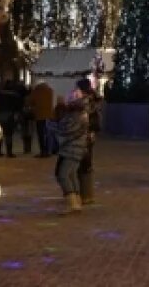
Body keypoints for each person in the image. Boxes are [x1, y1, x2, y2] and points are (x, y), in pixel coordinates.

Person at [53, 93, 88, 213]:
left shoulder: (75, 117)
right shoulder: (80, 115)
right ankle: (76, 201)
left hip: (71, 149)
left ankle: (72, 202)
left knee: (63, 175)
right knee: (71, 174)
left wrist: (54, 126)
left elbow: (65, 130)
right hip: (74, 149)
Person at [75, 77, 103, 205]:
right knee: (87, 164)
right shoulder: (95, 99)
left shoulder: (86, 102)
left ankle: (85, 194)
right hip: (90, 135)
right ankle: (88, 193)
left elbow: (82, 118)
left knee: (83, 164)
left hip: (84, 135)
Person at [0, 78, 23, 157]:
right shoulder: (15, 95)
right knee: (9, 134)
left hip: (0, 115)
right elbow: (18, 107)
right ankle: (9, 152)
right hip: (10, 116)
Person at [27, 79, 55, 158]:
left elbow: (30, 101)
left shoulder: (36, 91)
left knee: (41, 134)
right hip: (49, 115)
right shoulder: (50, 90)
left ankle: (43, 151)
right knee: (48, 134)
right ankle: (49, 150)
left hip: (39, 115)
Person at [18, 82, 34, 154]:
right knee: (29, 133)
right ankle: (28, 149)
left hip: (24, 116)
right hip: (29, 117)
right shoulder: (31, 97)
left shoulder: (22, 97)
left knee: (24, 133)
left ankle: (25, 148)